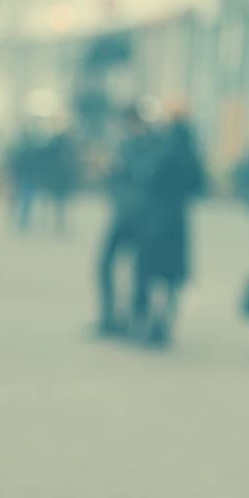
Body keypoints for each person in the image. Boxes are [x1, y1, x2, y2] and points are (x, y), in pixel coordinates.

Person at [134, 112, 205, 346]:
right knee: (171, 276)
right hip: (178, 222)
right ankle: (163, 322)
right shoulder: (192, 157)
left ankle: (145, 321)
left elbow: (147, 180)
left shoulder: (162, 154)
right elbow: (199, 187)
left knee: (148, 272)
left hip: (155, 221)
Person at [95, 106, 154, 337]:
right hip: (124, 214)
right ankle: (112, 315)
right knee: (107, 265)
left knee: (139, 269)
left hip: (137, 217)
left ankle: (134, 317)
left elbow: (141, 179)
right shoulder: (128, 146)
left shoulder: (146, 147)